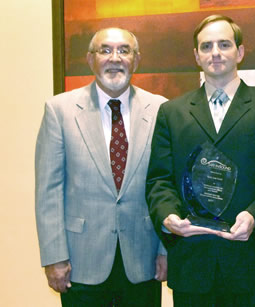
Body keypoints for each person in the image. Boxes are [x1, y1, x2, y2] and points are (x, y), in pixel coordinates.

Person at [146, 15, 255, 307]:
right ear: (196, 56)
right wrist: (168, 216)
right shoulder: (172, 112)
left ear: (240, 52)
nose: (215, 52)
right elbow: (159, 180)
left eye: (224, 44)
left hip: (252, 262)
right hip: (192, 263)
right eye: (206, 46)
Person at [35, 27, 168, 306]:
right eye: (105, 50)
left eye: (124, 50)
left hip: (142, 258)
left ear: (137, 59)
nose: (115, 58)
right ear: (90, 59)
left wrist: (166, 249)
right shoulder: (59, 110)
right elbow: (49, 191)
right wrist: (54, 256)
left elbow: (167, 185)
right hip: (80, 260)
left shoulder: (160, 110)